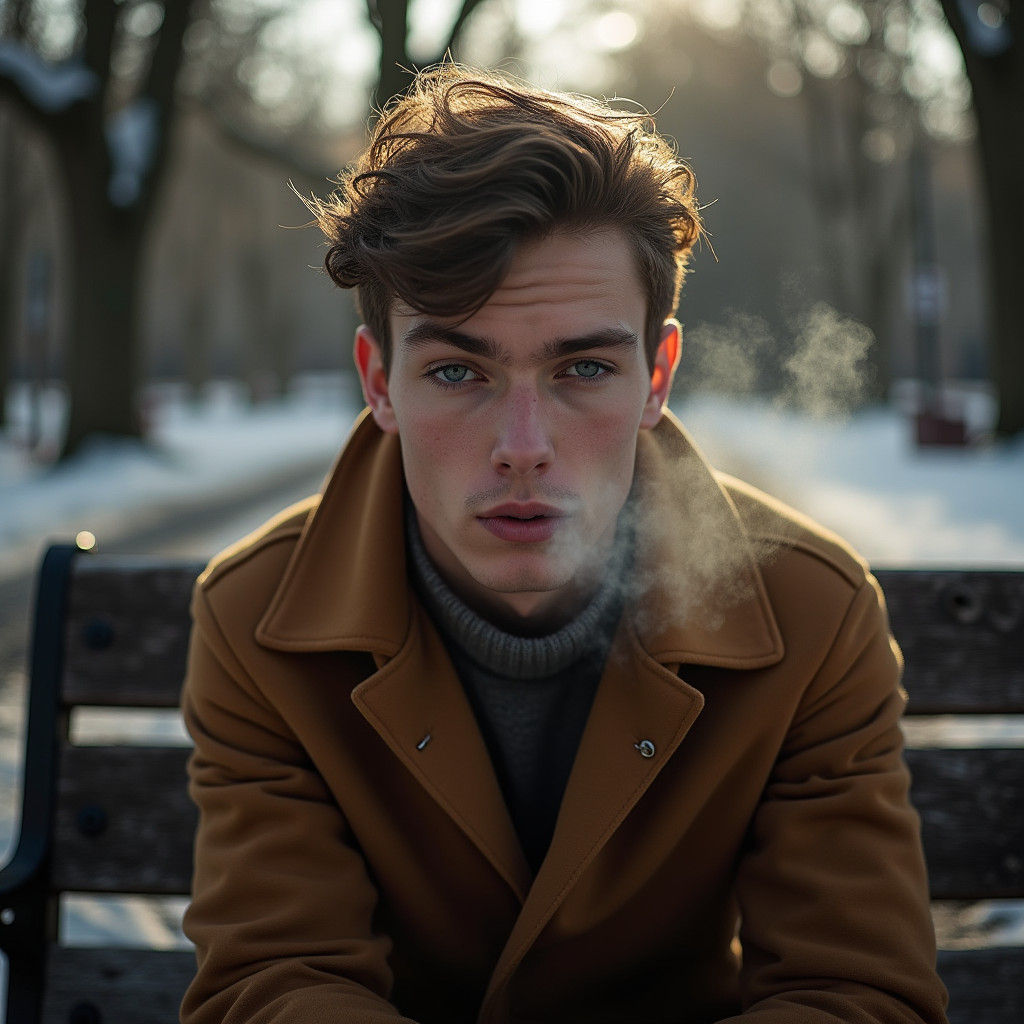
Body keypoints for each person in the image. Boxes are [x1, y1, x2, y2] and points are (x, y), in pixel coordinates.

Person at [179, 64, 948, 1024]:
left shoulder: (812, 614)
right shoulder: (258, 620)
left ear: (656, 376)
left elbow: (857, 993)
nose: (524, 447)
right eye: (457, 371)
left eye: (583, 368)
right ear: (379, 382)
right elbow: (273, 984)